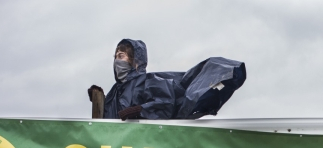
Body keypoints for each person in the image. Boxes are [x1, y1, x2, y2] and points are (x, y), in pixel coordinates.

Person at [88, 39, 246, 120]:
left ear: (135, 61)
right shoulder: (115, 91)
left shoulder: (148, 82)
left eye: (121, 56)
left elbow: (165, 103)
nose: (117, 61)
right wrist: (100, 100)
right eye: (115, 57)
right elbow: (105, 124)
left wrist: (140, 110)